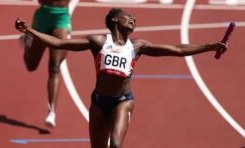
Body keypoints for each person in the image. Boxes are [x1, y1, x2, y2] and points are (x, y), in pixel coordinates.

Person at [15, 8, 227, 148]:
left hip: (122, 102)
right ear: (115, 19)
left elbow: (176, 49)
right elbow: (58, 43)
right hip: (98, 103)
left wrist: (209, 46)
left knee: (115, 145)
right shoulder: (98, 41)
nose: (134, 19)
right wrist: (29, 30)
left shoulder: (137, 46)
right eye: (129, 16)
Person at [19, 0, 73, 128]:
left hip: (61, 18)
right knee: (31, 65)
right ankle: (27, 42)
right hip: (43, 17)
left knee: (55, 67)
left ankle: (52, 111)